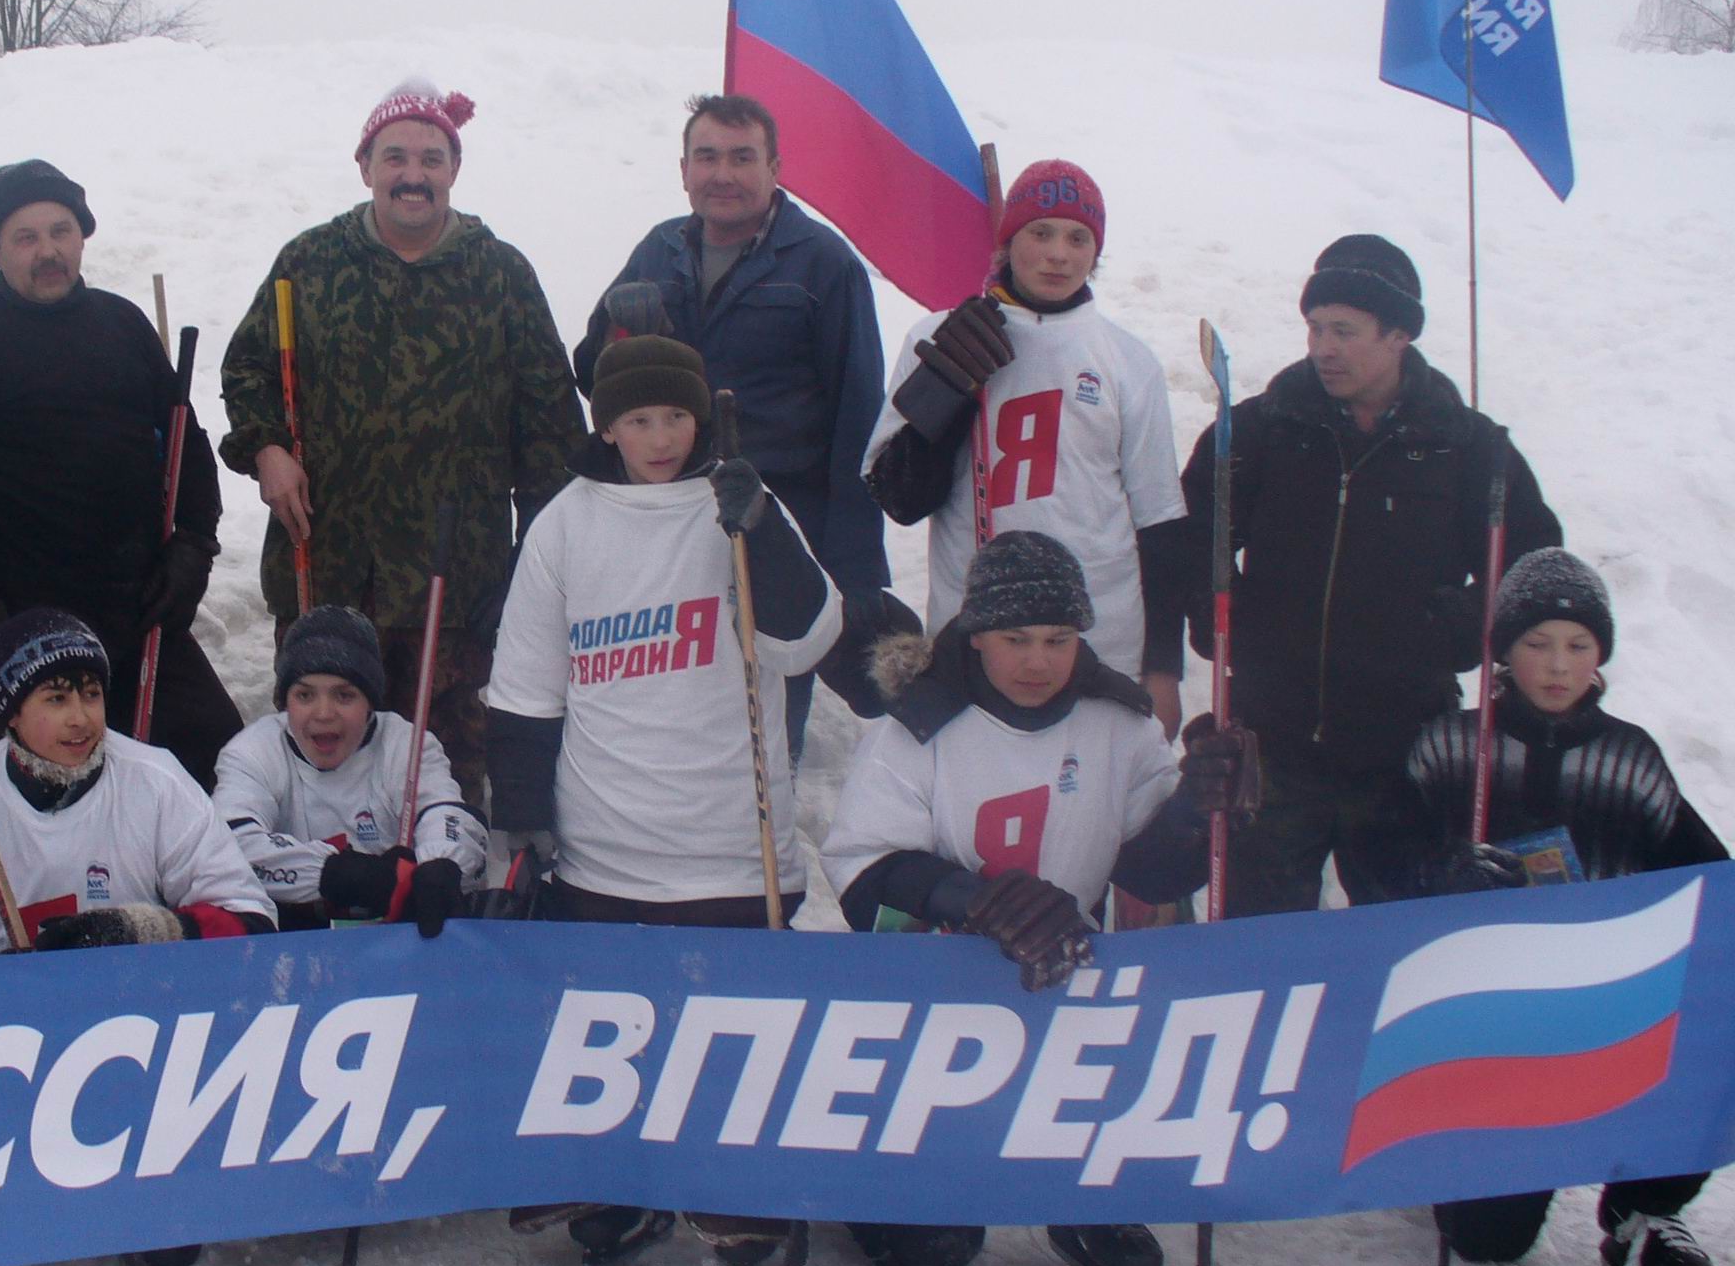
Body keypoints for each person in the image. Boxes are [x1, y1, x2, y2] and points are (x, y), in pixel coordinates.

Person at [819, 530, 1258, 1266]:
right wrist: (975, 900)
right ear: (975, 634)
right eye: (1015, 639)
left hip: (1067, 989)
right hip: (940, 997)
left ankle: (1073, 1187)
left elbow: (1153, 870)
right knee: (934, 1255)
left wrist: (1200, 808)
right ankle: (888, 1183)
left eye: (1058, 640)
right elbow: (862, 876)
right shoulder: (918, 727)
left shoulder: (1118, 723)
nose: (1036, 662)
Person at [484, 335, 845, 1266]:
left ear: (702, 416)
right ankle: (615, 1176)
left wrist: (761, 527)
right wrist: (522, 810)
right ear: (607, 424)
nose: (659, 437)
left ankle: (737, 1184)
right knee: (614, 1028)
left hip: (730, 841)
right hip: (608, 843)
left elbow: (806, 639)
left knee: (729, 1031)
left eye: (676, 417)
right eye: (638, 419)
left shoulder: (738, 506)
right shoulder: (565, 523)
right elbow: (526, 684)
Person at [1170, 234, 1560, 916]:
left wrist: (1452, 630)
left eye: (1344, 331)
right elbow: (1190, 532)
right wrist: (1217, 610)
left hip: (1404, 754)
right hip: (1272, 744)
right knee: (1259, 945)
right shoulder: (1260, 431)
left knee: (1405, 943)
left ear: (1398, 334)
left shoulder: (1469, 448)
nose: (1323, 347)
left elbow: (1532, 571)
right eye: (1315, 328)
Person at [219, 81, 584, 804]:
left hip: (458, 582)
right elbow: (248, 368)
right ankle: (315, 887)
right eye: (395, 156)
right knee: (322, 758)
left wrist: (534, 565)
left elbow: (549, 429)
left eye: (430, 157)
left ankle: (448, 895)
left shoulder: (501, 274)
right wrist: (268, 449)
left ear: (453, 169)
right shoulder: (310, 263)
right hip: (326, 567)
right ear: (365, 166)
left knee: (444, 774)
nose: (412, 174)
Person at [1403, 549, 1721, 1266]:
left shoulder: (1631, 757)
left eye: (1579, 646)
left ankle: (1643, 1213)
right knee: (1488, 1241)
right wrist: (1443, 873)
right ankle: (1452, 1157)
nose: (1558, 665)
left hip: (1608, 1010)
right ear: (1504, 652)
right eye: (1538, 643)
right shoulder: (1451, 747)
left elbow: (1708, 881)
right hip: (1488, 1030)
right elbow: (1386, 865)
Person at [571, 93, 892, 760]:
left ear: (775, 168)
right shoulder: (658, 250)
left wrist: (854, 574)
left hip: (778, 528)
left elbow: (858, 422)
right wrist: (612, 329)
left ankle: (756, 848)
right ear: (683, 169)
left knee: (763, 724)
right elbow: (593, 379)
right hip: (667, 528)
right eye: (707, 156)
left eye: (742, 157)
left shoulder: (823, 265)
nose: (723, 173)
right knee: (670, 706)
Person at [0, 160, 237, 788]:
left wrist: (193, 544)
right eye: (25, 237)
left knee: (219, 766)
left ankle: (214, 886)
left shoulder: (122, 326)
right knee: (60, 793)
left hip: (139, 603)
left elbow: (184, 444)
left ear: (83, 236)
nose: (47, 251)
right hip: (34, 624)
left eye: (61, 231)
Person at [864, 159, 1187, 730]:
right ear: (1009, 240)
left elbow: (1159, 523)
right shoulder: (938, 339)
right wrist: (946, 396)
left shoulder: (1127, 360)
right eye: (1040, 232)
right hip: (978, 631)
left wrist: (1161, 669)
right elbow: (899, 499)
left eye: (1078, 237)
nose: (1058, 254)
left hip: (1099, 635)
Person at [0, 609, 275, 960]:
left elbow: (250, 921)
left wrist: (143, 932)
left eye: (91, 695)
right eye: (56, 699)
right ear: (11, 714)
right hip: (16, 1030)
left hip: (145, 1009)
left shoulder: (156, 781)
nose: (81, 718)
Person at [211, 605, 486, 932]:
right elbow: (228, 846)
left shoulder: (406, 746)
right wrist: (333, 873)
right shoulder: (253, 751)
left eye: (344, 695)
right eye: (304, 695)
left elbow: (450, 818)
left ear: (370, 701)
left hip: (396, 935)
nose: (324, 713)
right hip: (292, 939)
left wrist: (442, 862)